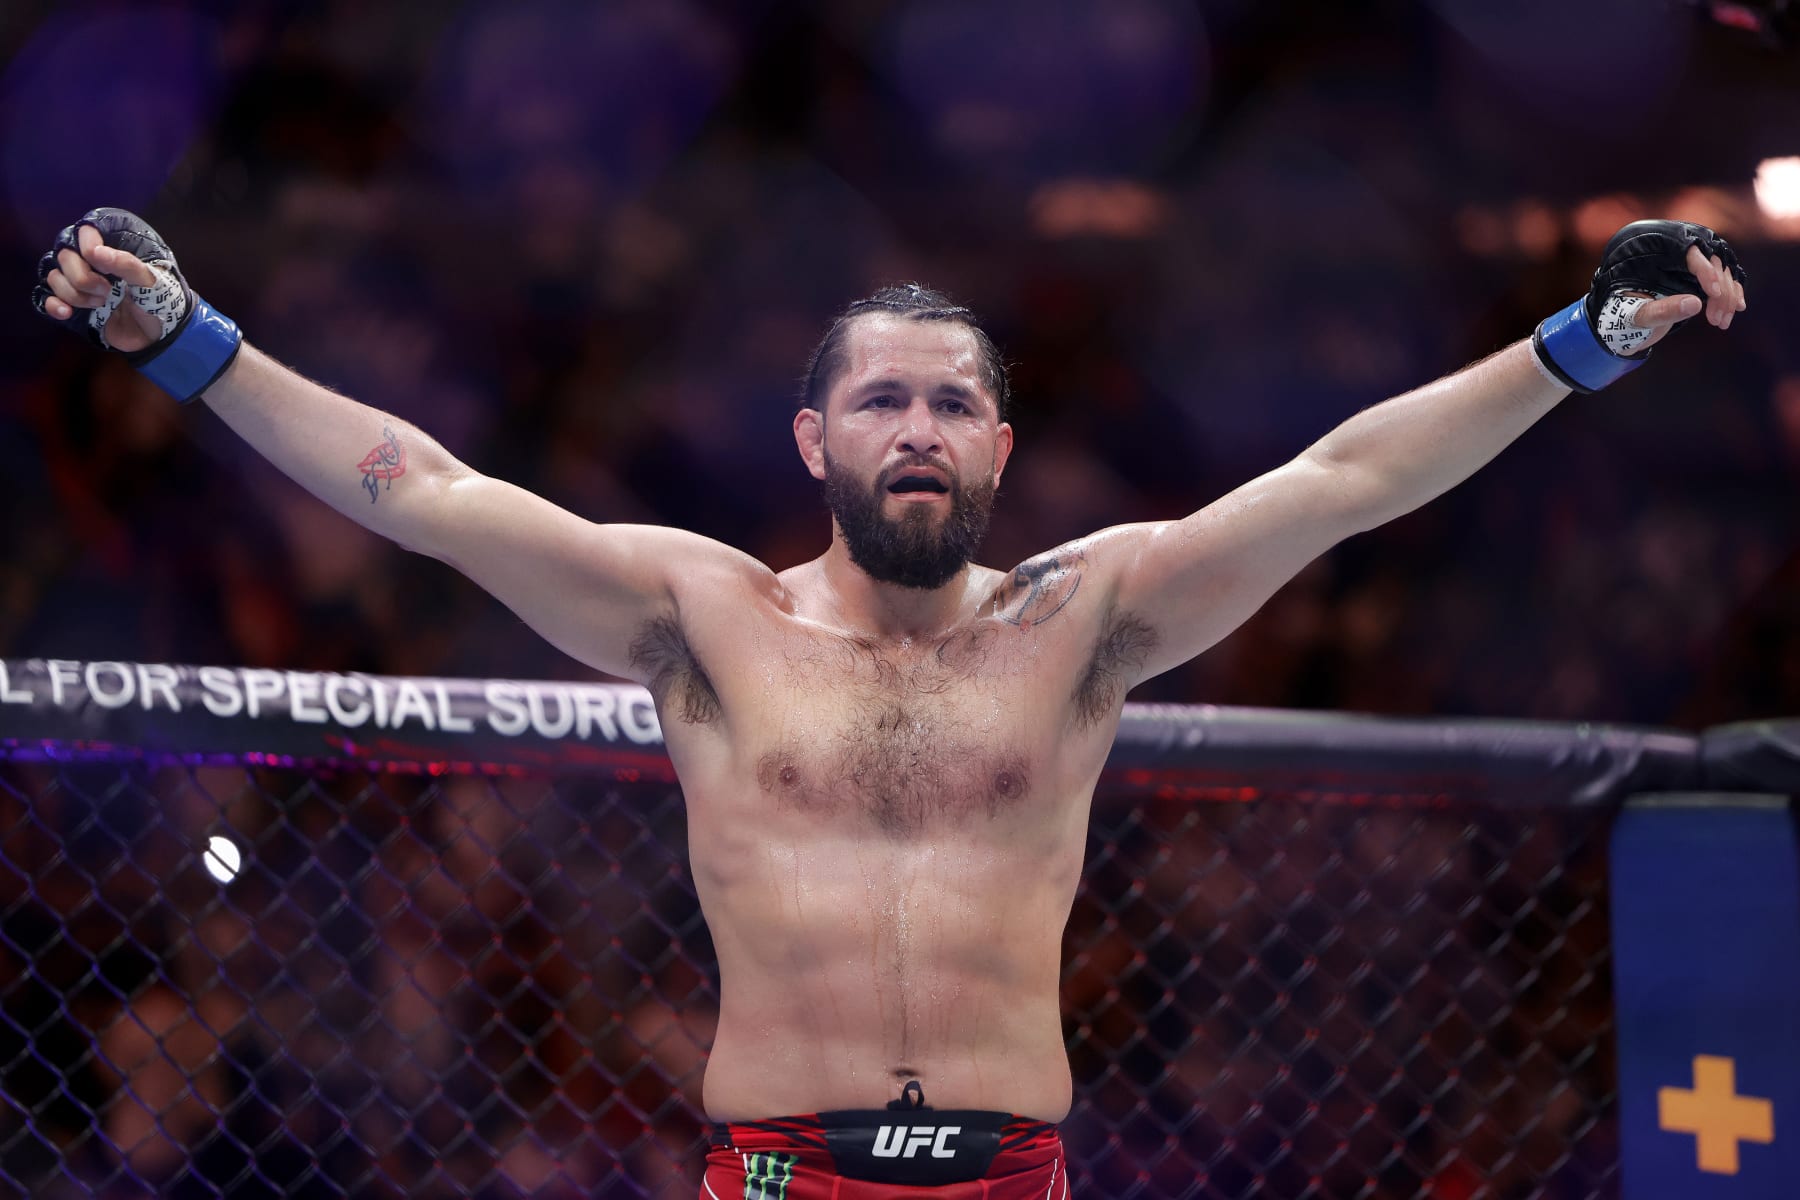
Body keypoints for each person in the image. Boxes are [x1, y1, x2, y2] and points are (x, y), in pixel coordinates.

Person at [34, 209, 1747, 1199]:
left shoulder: (1090, 616)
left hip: (1011, 1177)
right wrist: (195, 342)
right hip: (778, 1173)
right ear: (817, 442)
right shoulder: (699, 615)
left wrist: (1579, 338)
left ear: (1001, 445)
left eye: (950, 402)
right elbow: (418, 485)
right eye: (879, 402)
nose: (916, 426)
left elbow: (1347, 475)